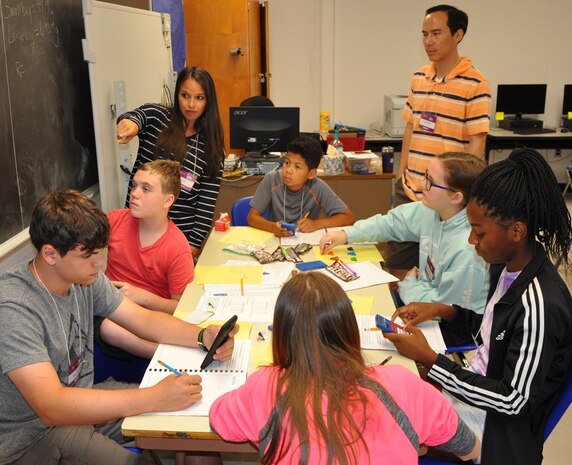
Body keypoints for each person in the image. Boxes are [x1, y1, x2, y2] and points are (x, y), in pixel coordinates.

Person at [0, 190, 237, 465]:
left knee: (187, 420)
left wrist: (201, 335)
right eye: (88, 255)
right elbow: (52, 406)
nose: (100, 263)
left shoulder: (84, 278)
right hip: (34, 436)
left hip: (80, 403)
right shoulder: (14, 308)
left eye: (99, 252)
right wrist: (154, 397)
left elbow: (143, 320)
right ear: (51, 254)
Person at [385, 148, 572, 465]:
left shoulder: (539, 305)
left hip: (497, 438)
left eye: (479, 232)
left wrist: (434, 362)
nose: (472, 241)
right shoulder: (506, 267)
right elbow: (493, 333)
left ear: (516, 231)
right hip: (472, 399)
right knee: (383, 393)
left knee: (379, 433)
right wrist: (445, 311)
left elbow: (512, 401)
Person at [209, 272, 480, 465]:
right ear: (349, 329)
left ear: (282, 334)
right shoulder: (402, 382)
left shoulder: (266, 385)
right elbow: (469, 448)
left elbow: (219, 419)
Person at [388, 4, 492, 280]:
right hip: (410, 190)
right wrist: (402, 175)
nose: (428, 41)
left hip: (446, 196)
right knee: (397, 264)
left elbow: (477, 143)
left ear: (458, 35)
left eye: (436, 33)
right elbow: (411, 129)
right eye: (424, 34)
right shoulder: (419, 77)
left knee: (440, 270)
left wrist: (463, 193)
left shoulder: (476, 83)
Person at [320, 152, 489, 313]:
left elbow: (444, 309)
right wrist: (346, 234)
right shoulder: (433, 211)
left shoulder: (467, 250)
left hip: (447, 326)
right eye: (425, 176)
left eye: (430, 181)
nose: (422, 185)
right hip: (419, 296)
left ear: (456, 198)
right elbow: (391, 223)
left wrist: (408, 284)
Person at [117, 66, 225, 257]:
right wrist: (130, 124)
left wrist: (194, 243)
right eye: (185, 95)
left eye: (199, 98)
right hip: (137, 229)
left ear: (208, 101)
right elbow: (135, 117)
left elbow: (206, 202)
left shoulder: (211, 145)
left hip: (179, 237)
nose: (191, 104)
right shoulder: (158, 116)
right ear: (177, 94)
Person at [98, 159, 195, 360]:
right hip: (113, 312)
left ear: (167, 201)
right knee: (108, 328)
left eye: (146, 189)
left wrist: (142, 297)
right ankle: (166, 353)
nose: (134, 194)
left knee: (111, 330)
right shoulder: (116, 220)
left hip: (151, 319)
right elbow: (82, 250)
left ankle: (166, 352)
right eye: (135, 186)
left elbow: (181, 306)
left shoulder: (177, 247)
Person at [247, 135, 355, 237]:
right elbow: (251, 217)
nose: (288, 171)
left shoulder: (317, 186)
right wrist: (272, 227)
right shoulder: (271, 179)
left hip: (305, 242)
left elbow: (348, 217)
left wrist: (316, 224)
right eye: (287, 163)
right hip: (276, 239)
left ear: (311, 173)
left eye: (297, 167)